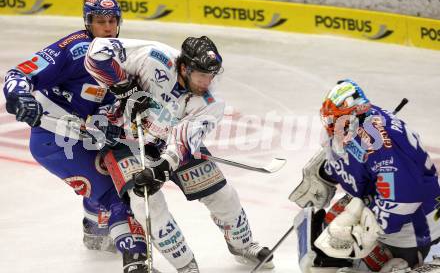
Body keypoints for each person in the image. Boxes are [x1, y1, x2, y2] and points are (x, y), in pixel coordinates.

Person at [84, 35, 275, 272]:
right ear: (184, 67)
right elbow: (97, 52)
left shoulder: (210, 103)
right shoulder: (154, 57)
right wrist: (124, 86)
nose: (207, 82)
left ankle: (243, 245)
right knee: (147, 204)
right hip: (125, 140)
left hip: (168, 144)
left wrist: (163, 167)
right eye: (201, 75)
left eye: (211, 75)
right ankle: (187, 266)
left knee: (223, 195)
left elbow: (183, 141)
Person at [3, 0, 162, 273]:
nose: (108, 27)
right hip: (55, 139)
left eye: (112, 21)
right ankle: (136, 263)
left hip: (87, 134)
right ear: (88, 22)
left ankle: (94, 227)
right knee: (120, 194)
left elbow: (118, 100)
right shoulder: (74, 50)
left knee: (112, 175)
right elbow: (19, 74)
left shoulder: (121, 53)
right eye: (100, 21)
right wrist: (21, 98)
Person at [289, 79, 440, 273]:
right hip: (382, 199)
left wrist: (368, 230)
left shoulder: (385, 148)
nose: (331, 127)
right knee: (323, 249)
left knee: (377, 263)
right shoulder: (355, 126)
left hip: (413, 226)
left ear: (354, 116)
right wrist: (326, 173)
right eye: (330, 120)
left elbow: (404, 197)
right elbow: (356, 159)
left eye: (337, 120)